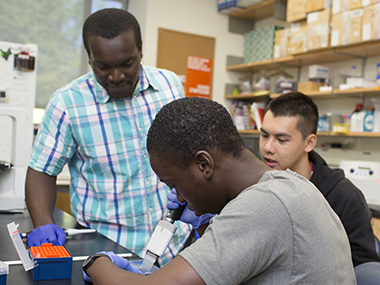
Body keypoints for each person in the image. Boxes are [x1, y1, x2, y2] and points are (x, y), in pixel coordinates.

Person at [83, 97, 356, 284]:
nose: (177, 198)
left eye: (174, 185)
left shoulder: (263, 205)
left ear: (204, 163)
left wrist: (96, 263)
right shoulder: (288, 185)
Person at [25, 8, 190, 264]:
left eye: (127, 63)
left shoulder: (169, 85)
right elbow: (42, 171)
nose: (116, 77)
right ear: (89, 59)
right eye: (103, 67)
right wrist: (43, 225)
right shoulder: (67, 103)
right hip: (108, 251)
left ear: (140, 50)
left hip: (175, 245)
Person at [259, 91, 380, 267]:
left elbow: (364, 270)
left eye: (282, 140)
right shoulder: (255, 183)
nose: (268, 147)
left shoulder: (344, 197)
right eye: (264, 135)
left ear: (309, 143)